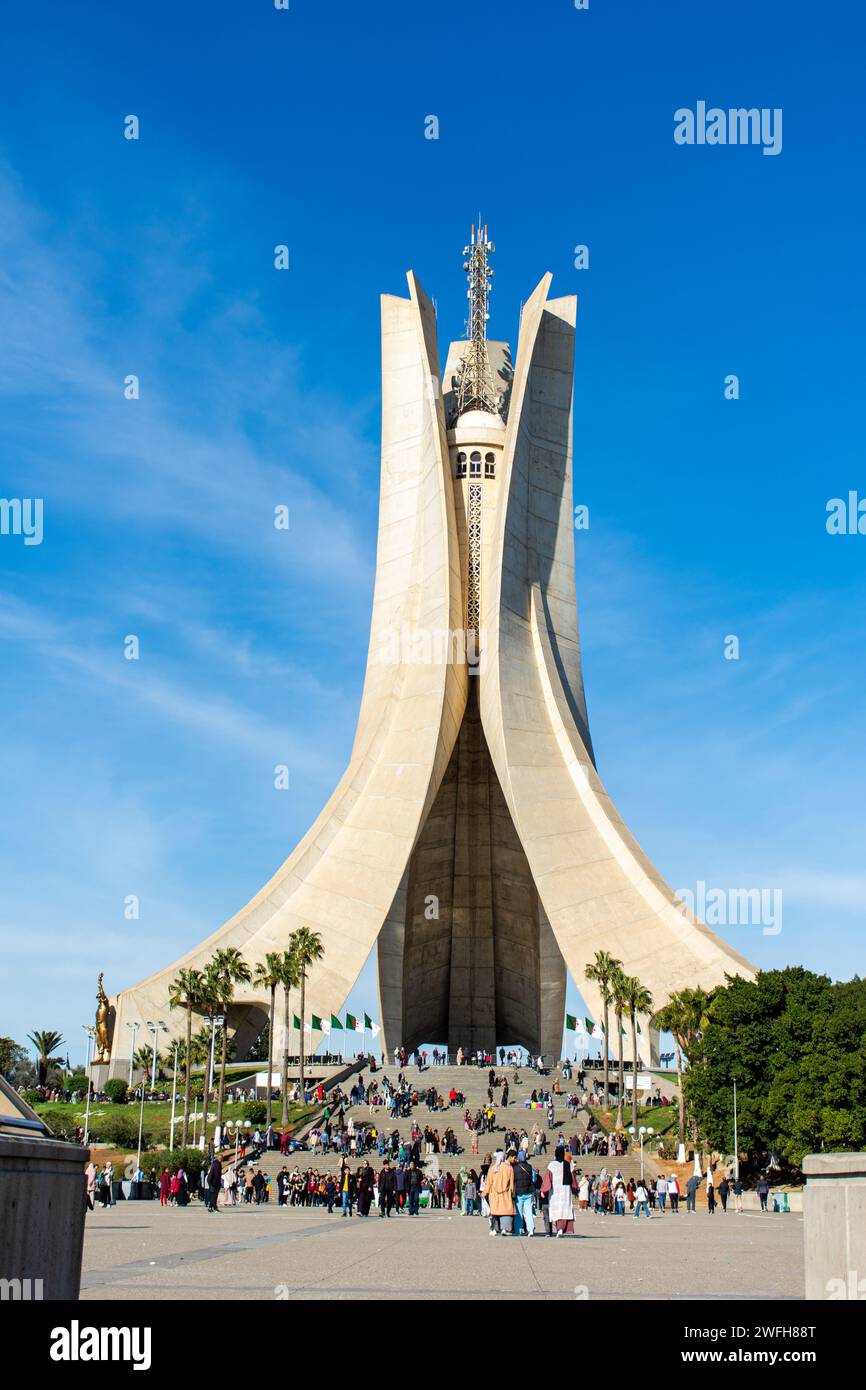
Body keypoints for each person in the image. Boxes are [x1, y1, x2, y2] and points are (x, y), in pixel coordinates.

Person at [540, 1146, 576, 1236]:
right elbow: (573, 1179)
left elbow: (547, 1179)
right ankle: (561, 1229)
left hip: (555, 1192)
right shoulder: (568, 1165)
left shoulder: (552, 1165)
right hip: (566, 1192)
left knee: (557, 1210)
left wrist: (543, 1190)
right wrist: (575, 1189)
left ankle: (559, 1229)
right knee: (564, 1210)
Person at [481, 1152, 515, 1235]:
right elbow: (512, 1183)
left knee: (495, 1213)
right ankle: (505, 1229)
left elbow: (488, 1184)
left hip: (494, 1195)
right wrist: (512, 1193)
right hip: (505, 1195)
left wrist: (484, 1193)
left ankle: (495, 1229)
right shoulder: (509, 1168)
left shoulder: (492, 1169)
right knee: (505, 1213)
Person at [512, 1150, 535, 1236]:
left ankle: (519, 1230)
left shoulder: (515, 1168)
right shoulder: (530, 1167)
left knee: (519, 1213)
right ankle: (531, 1229)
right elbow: (534, 1179)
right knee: (529, 1212)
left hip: (519, 1192)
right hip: (528, 1192)